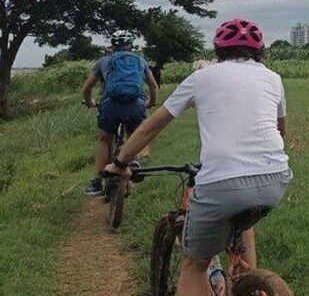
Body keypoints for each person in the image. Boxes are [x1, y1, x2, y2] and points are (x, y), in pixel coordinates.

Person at [104, 18, 292, 295]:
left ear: (218, 50)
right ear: (260, 50)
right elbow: (281, 130)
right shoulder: (273, 78)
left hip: (222, 183)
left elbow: (150, 127)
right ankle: (249, 288)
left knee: (195, 264)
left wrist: (120, 162)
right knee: (243, 219)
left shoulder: (202, 77)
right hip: (275, 179)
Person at [82, 30, 158, 196]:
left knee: (104, 140)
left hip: (111, 106)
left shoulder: (104, 61)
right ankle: (134, 161)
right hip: (136, 106)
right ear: (131, 45)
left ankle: (96, 183)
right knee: (135, 136)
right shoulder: (140, 61)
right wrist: (151, 102)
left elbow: (87, 88)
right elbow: (153, 86)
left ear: (113, 45)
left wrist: (89, 102)